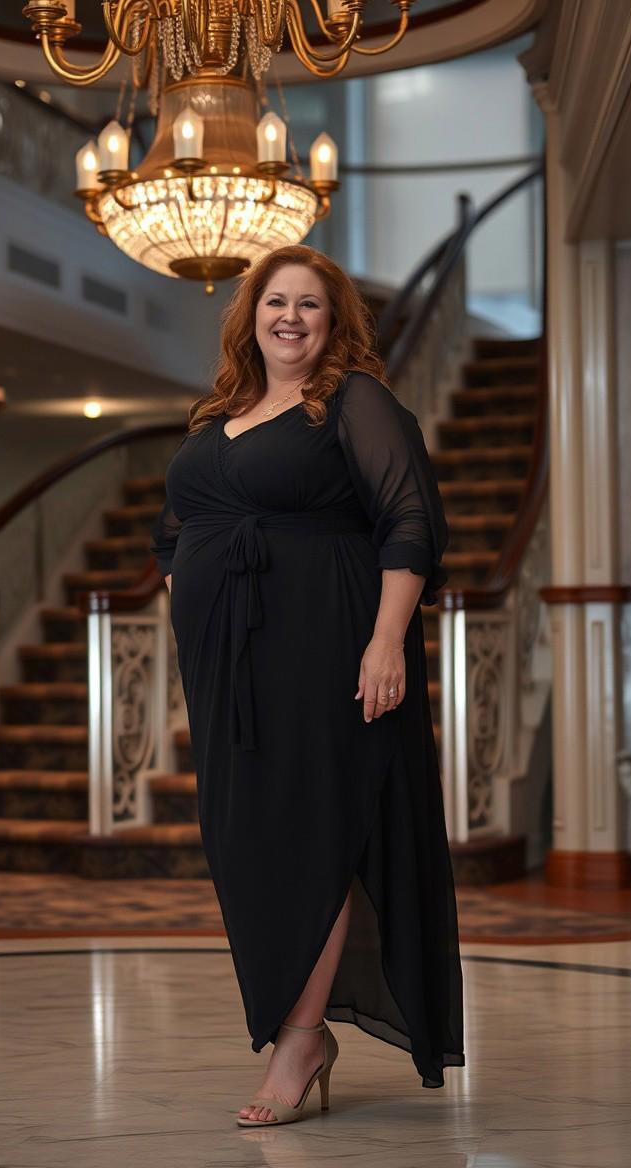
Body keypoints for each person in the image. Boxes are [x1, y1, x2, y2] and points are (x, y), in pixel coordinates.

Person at [150, 244, 465, 1127]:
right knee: (244, 842)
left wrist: (386, 643)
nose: (290, 317)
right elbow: (175, 535)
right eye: (275, 301)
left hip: (328, 649)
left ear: (334, 323)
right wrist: (199, 613)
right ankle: (302, 1026)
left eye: (310, 305)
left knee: (318, 835)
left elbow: (410, 522)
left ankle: (299, 1039)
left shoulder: (356, 402)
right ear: (249, 316)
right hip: (231, 670)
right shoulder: (219, 415)